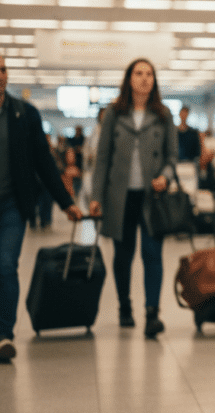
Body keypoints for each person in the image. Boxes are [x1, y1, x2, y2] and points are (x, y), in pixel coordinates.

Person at [0, 56, 85, 362]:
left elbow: (44, 163)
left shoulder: (25, 114)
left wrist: (66, 203)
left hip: (12, 204)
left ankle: (4, 335)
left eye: (3, 69)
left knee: (6, 265)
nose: (0, 75)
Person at [90, 58, 177, 339]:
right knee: (123, 255)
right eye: (138, 73)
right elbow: (102, 158)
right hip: (120, 196)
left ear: (154, 80)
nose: (144, 78)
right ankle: (124, 305)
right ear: (129, 79)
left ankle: (152, 313)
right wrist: (96, 196)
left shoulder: (163, 114)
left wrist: (165, 175)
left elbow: (172, 156)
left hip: (153, 197)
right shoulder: (115, 113)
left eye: (149, 74)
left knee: (152, 254)